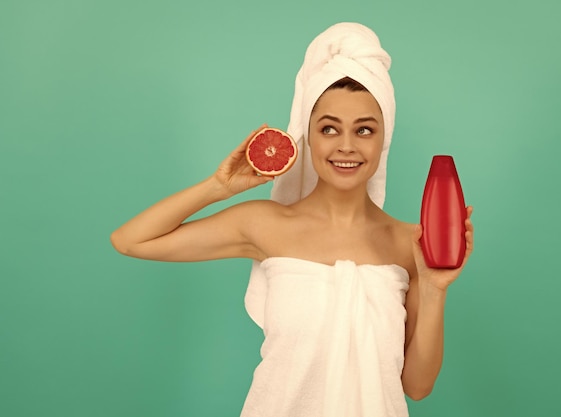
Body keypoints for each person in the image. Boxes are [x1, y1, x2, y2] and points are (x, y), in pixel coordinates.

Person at [111, 22, 474, 417]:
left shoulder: (411, 244)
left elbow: (417, 387)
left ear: (383, 139)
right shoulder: (265, 224)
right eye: (329, 128)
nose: (346, 146)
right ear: (309, 136)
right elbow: (131, 240)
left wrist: (436, 288)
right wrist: (219, 187)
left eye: (364, 129)